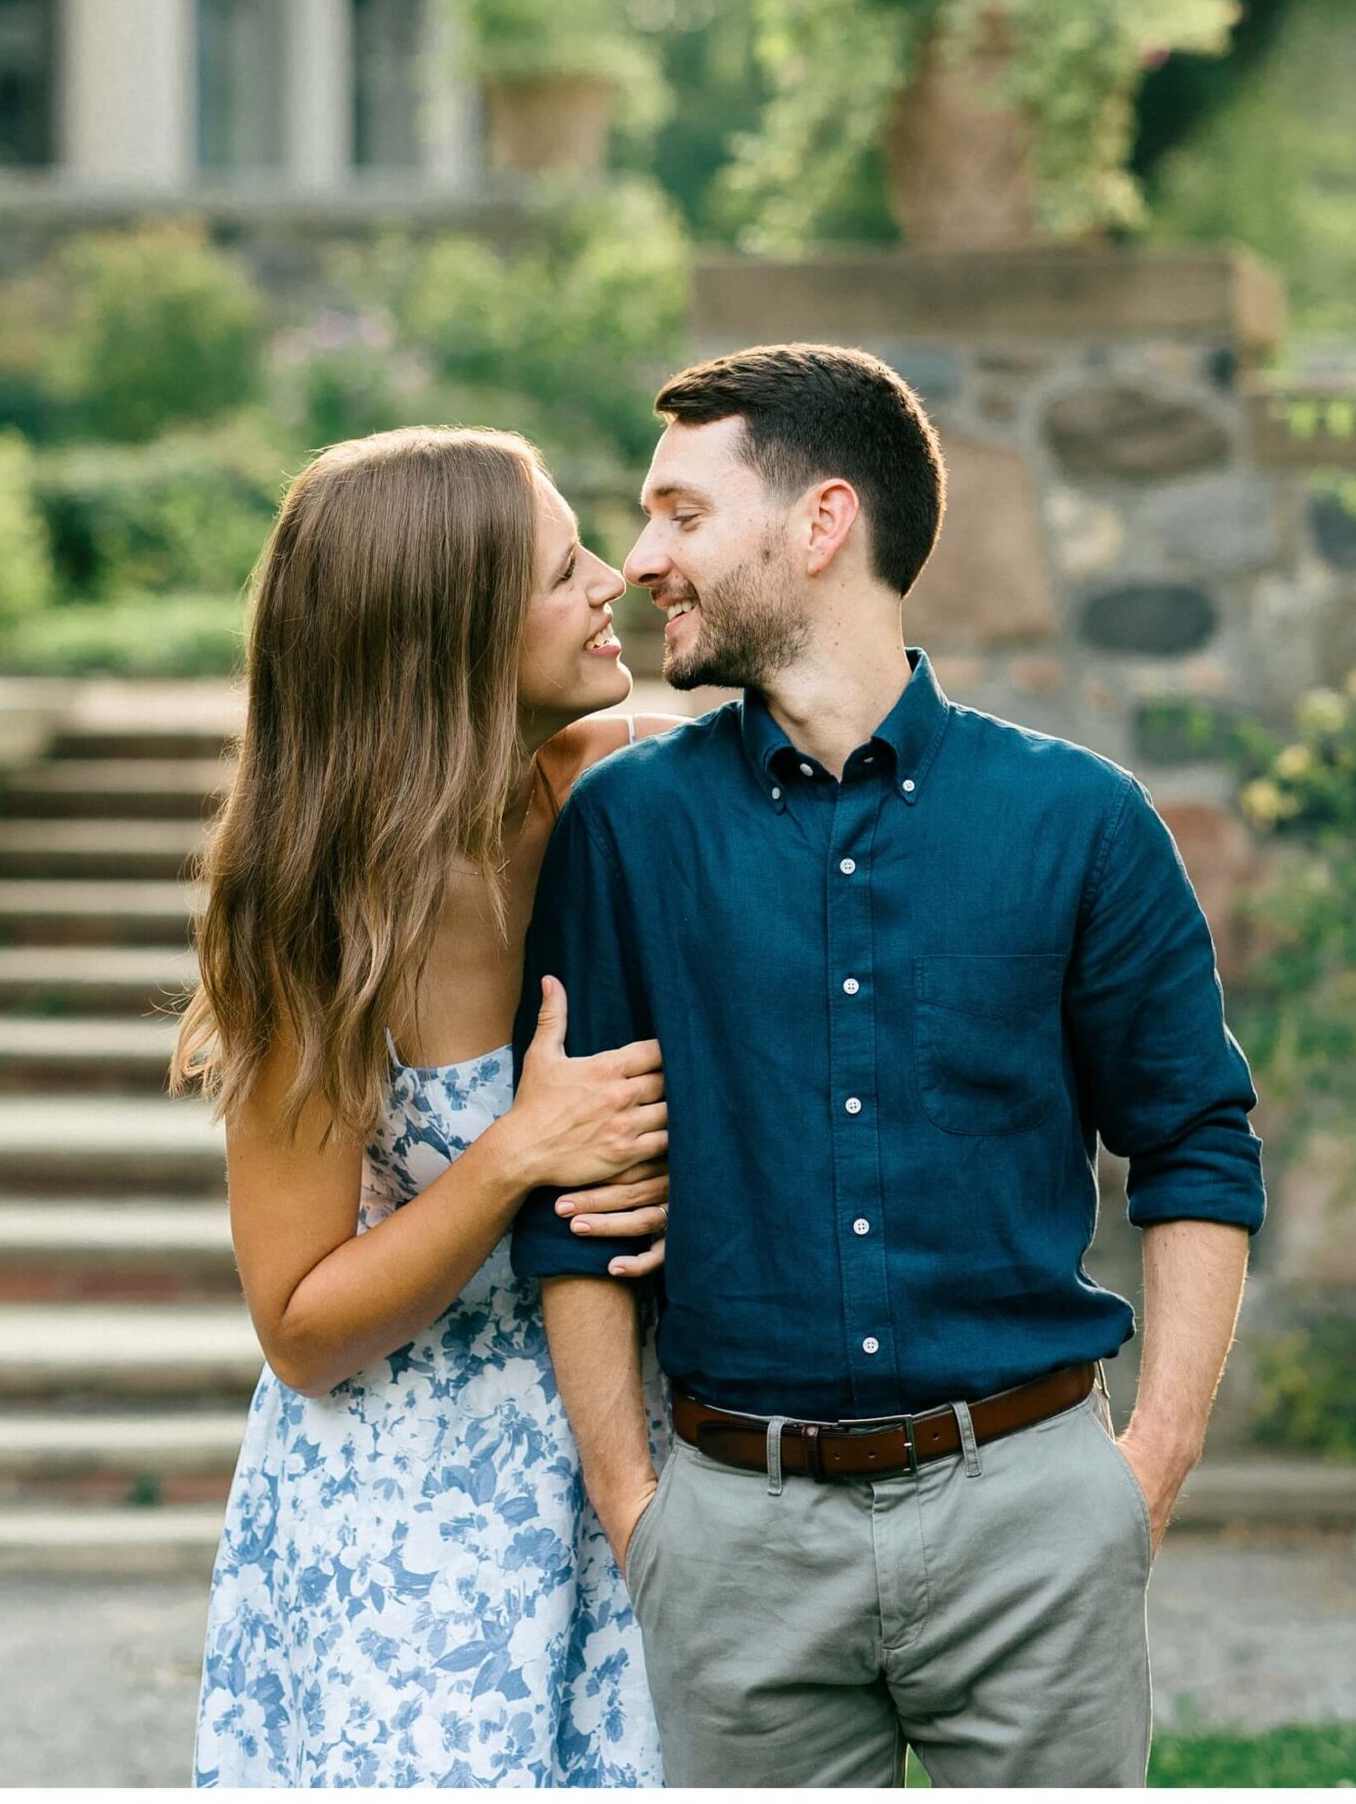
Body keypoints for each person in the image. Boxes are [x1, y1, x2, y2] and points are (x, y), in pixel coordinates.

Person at [512, 342, 1266, 1789]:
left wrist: (1145, 1472)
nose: (638, 558)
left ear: (819, 524)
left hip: (1032, 1514)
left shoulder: (1079, 823)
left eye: (679, 512)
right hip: (735, 1534)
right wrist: (635, 1511)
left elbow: (1193, 1145)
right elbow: (574, 1195)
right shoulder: (625, 830)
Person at [180, 425, 679, 1788]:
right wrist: (515, 1154)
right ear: (444, 634)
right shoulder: (315, 920)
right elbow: (299, 1329)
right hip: (413, 1532)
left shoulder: (624, 796)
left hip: (640, 1462)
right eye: (561, 568)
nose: (610, 584)